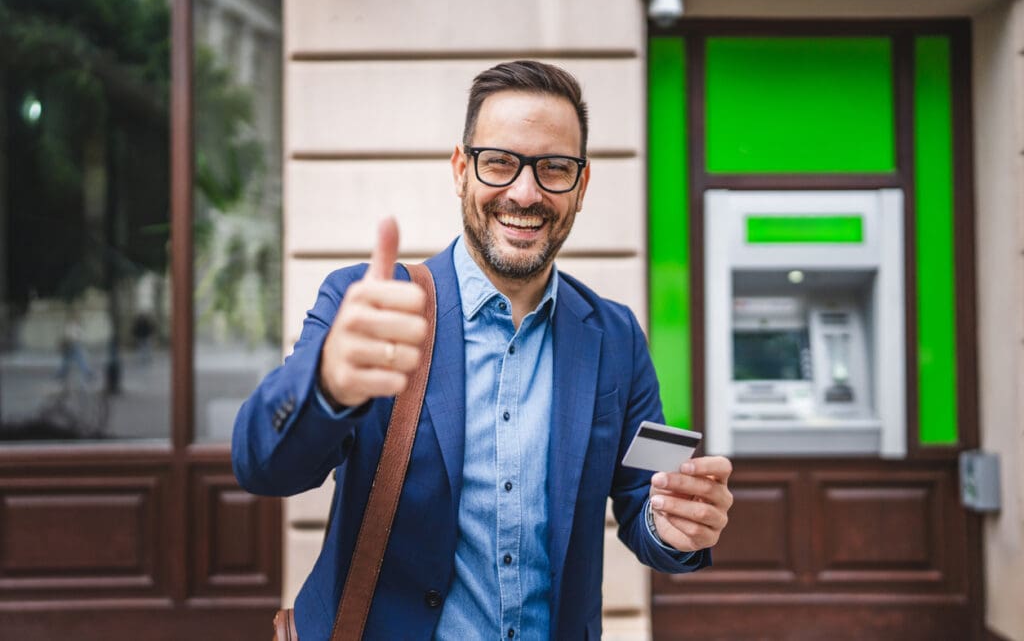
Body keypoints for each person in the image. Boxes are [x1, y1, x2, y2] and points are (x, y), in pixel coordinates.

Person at [232, 60, 733, 640]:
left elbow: (648, 500)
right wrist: (326, 385)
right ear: (460, 169)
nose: (526, 192)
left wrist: (677, 524)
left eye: (554, 168)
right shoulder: (368, 306)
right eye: (500, 162)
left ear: (582, 184)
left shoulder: (615, 337)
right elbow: (262, 468)